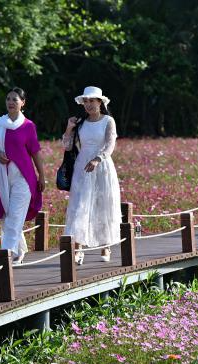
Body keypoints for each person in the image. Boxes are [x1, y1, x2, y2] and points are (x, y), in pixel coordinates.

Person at [63, 86, 120, 264]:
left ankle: (106, 245)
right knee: (79, 204)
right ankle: (78, 248)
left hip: (102, 167)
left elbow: (110, 144)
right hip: (82, 166)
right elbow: (67, 146)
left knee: (103, 204)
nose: (88, 104)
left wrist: (98, 159)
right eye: (85, 101)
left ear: (100, 102)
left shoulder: (108, 121)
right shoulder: (80, 122)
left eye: (92, 101)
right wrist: (69, 128)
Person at [0, 87, 44, 265]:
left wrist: (42, 176)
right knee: (7, 215)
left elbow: (35, 153)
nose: (11, 102)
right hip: (1, 176)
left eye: (15, 99)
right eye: (8, 99)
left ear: (22, 103)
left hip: (24, 178)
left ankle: (7, 254)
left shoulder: (28, 126)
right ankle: (20, 249)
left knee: (15, 215)